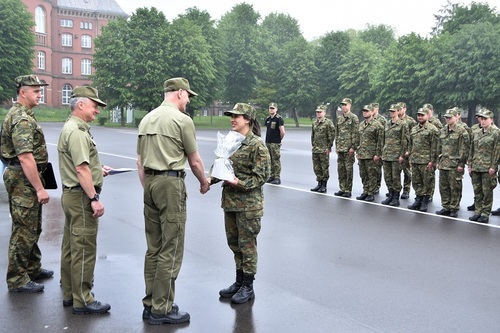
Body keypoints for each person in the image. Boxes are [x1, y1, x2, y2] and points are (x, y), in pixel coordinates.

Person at [136, 77, 210, 325]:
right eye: (188, 95)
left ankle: (151, 302)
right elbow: (195, 161)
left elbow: (139, 160)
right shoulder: (182, 120)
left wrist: (148, 187)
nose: (188, 100)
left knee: (154, 248)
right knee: (172, 247)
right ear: (179, 92)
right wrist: (203, 181)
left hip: (150, 183)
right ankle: (162, 307)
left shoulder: (147, 118)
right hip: (170, 184)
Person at [208, 103, 270, 304]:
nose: (232, 119)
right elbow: (221, 166)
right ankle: (238, 281)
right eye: (231, 116)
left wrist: (238, 182)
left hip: (249, 206)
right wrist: (209, 179)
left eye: (237, 116)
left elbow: (261, 177)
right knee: (234, 244)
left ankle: (248, 286)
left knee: (247, 246)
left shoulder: (257, 145)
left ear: (248, 120)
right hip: (230, 203)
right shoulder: (229, 141)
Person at [58, 86, 112, 314]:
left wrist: (98, 169)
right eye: (94, 105)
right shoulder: (78, 132)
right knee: (84, 248)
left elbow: (81, 165)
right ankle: (84, 300)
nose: (97, 111)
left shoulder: (71, 127)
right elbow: (81, 169)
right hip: (81, 197)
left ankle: (71, 293)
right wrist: (94, 198)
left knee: (71, 246)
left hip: (71, 195)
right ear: (81, 105)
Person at [1, 75, 53, 293]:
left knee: (32, 226)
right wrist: (39, 188)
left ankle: (32, 267)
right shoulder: (21, 119)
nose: (39, 94)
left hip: (23, 176)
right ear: (23, 92)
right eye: (36, 91)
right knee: (24, 229)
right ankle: (17, 279)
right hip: (23, 178)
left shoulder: (22, 115)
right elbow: (25, 157)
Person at [435, 108, 470, 218]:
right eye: (446, 117)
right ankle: (446, 206)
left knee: (455, 187)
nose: (448, 119)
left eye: (450, 117)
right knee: (443, 187)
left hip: (455, 164)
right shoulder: (443, 130)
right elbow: (439, 147)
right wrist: (438, 161)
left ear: (456, 117)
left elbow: (464, 149)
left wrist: (461, 164)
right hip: (444, 163)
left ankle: (454, 208)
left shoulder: (461, 131)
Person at [468, 109, 499, 223]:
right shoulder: (477, 133)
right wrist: (470, 164)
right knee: (477, 190)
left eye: (485, 118)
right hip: (476, 166)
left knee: (487, 191)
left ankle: (485, 213)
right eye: (481, 119)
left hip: (487, 167)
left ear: (491, 119)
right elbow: (472, 149)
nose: (483, 121)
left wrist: (493, 166)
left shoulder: (496, 133)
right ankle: (478, 211)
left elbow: (497, 151)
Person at [407, 108, 439, 212]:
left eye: (422, 115)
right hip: (415, 160)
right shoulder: (414, 129)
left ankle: (425, 201)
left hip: (426, 161)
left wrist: (432, 161)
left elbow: (435, 147)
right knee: (416, 182)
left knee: (427, 182)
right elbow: (411, 145)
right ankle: (418, 199)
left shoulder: (432, 129)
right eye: (419, 115)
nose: (420, 117)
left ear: (427, 116)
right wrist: (410, 158)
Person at [381, 104, 409, 206]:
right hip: (387, 154)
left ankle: (396, 197)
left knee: (395, 177)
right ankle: (391, 194)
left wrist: (402, 155)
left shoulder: (402, 124)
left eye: (394, 111)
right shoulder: (387, 124)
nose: (392, 113)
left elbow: (405, 141)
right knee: (388, 177)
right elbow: (384, 139)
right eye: (391, 111)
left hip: (396, 155)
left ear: (398, 112)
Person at [356, 105, 383, 201]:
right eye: (364, 111)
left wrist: (377, 154)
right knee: (363, 174)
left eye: (367, 111)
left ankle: (371, 193)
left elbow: (380, 141)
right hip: (362, 154)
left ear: (372, 112)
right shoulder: (361, 124)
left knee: (372, 174)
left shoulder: (377, 125)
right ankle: (365, 190)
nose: (365, 112)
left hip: (371, 155)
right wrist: (357, 151)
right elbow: (358, 139)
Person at [334, 98, 359, 197]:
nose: (343, 106)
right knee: (341, 169)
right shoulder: (339, 118)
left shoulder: (354, 118)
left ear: (350, 106)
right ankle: (342, 188)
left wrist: (353, 147)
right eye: (342, 105)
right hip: (340, 148)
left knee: (348, 170)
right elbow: (337, 133)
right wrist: (336, 146)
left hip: (349, 148)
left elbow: (356, 133)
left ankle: (348, 190)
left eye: (345, 105)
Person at [310, 104, 335, 193]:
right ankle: (319, 183)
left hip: (324, 149)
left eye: (320, 112)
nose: (318, 114)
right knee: (317, 167)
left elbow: (331, 136)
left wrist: (329, 147)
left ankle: (324, 185)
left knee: (324, 167)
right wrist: (313, 145)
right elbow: (313, 136)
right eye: (317, 112)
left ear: (324, 112)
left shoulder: (328, 123)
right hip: (316, 149)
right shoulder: (314, 123)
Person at [398, 102, 417, 199]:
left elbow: (413, 137)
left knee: (407, 172)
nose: (398, 110)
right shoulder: (394, 121)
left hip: (406, 151)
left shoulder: (410, 121)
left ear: (405, 109)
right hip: (395, 151)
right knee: (395, 172)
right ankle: (395, 190)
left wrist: (409, 150)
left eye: (400, 109)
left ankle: (406, 190)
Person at [265, 102, 285, 185]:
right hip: (268, 142)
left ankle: (277, 177)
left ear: (276, 109)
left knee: (276, 160)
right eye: (270, 108)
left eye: (273, 108)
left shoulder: (278, 119)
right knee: (270, 160)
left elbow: (282, 132)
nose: (271, 109)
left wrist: (278, 140)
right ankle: (272, 176)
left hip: (275, 143)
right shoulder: (268, 119)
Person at [371, 102, 386, 194]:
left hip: (379, 147)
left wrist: (380, 150)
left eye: (373, 109)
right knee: (370, 169)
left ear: (377, 109)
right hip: (369, 148)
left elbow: (383, 135)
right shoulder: (369, 119)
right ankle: (370, 185)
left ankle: (377, 185)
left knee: (377, 168)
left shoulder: (382, 120)